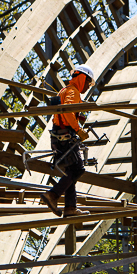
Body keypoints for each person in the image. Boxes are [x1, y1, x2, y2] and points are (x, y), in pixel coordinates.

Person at [41, 64, 94, 217]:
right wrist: (78, 129)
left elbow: (63, 111)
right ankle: (52, 195)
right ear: (82, 78)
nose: (87, 86)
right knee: (78, 169)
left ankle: (70, 208)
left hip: (58, 137)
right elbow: (68, 111)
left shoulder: (64, 90)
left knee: (71, 172)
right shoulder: (73, 91)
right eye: (87, 82)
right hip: (66, 137)